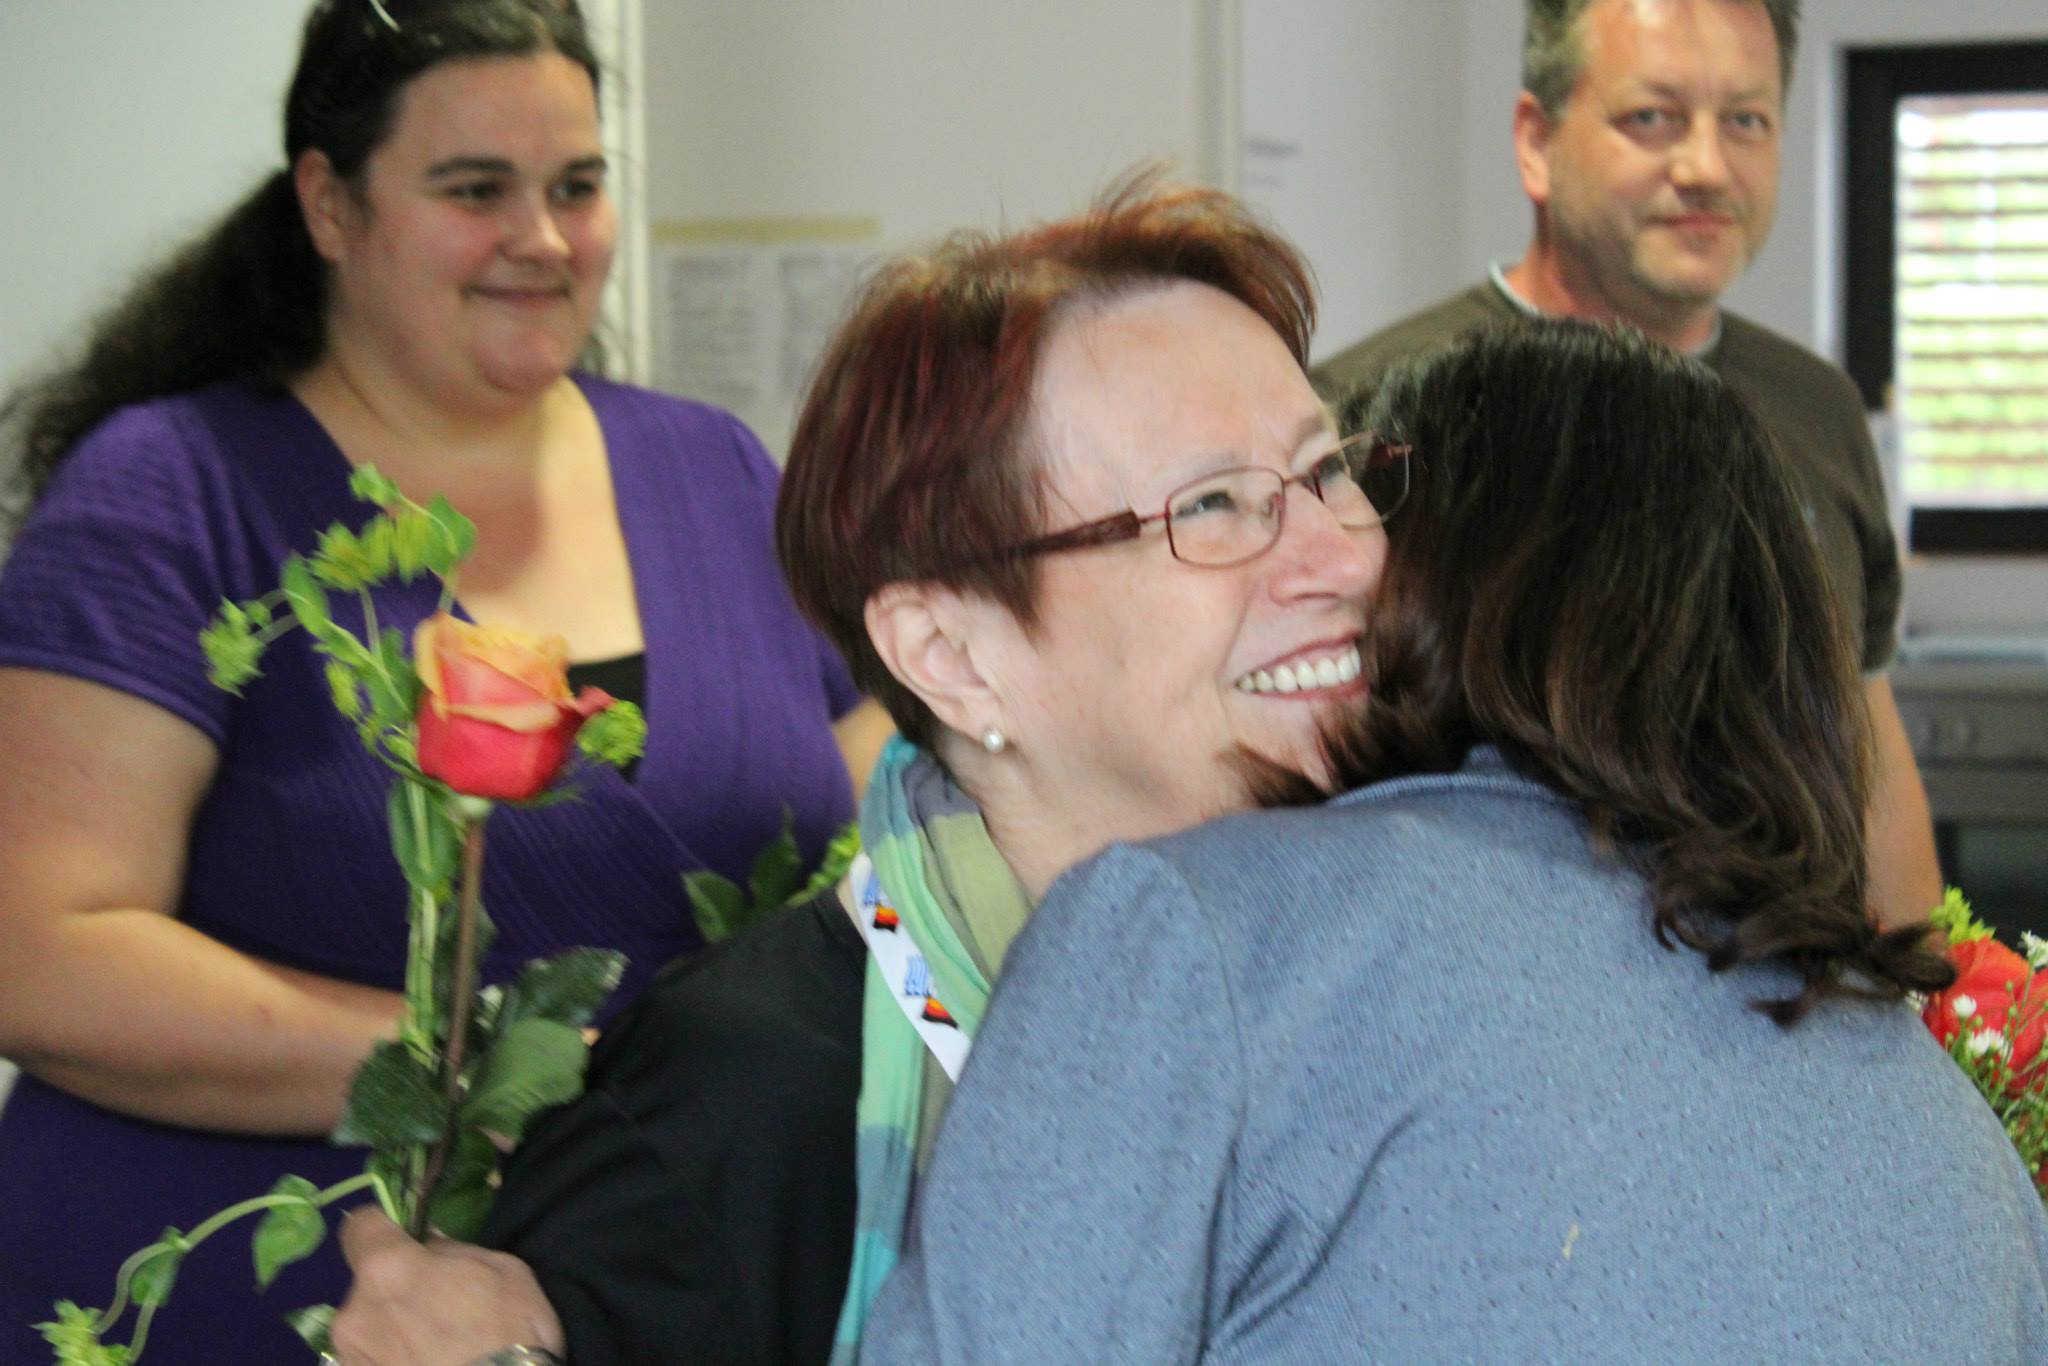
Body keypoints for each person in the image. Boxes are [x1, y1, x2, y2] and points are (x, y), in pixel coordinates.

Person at [322, 182, 1402, 1366]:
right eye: (1212, 504)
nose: (1341, 558)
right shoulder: (734, 1119)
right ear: (951, 657)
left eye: (1324, 471)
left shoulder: (1418, 950)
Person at [866, 319, 2048, 1365]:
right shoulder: (1959, 1158)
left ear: (1430, 576)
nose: (1328, 561)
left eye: (1340, 490)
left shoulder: (1202, 938)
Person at [0, 3, 881, 1360]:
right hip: (257, 1300)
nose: (543, 238)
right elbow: (42, 955)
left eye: (575, 187)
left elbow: (881, 805)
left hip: (649, 1300)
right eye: (476, 191)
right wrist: (497, 1072)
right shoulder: (172, 493)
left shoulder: (713, 468)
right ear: (330, 205)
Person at [1311, 0, 1943, 930]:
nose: (1706, 166)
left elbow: (1866, 758)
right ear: (1536, 141)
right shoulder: (1369, 412)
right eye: (1652, 117)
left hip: (1774, 991)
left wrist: (1931, 995)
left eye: (1746, 121)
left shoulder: (1819, 411)